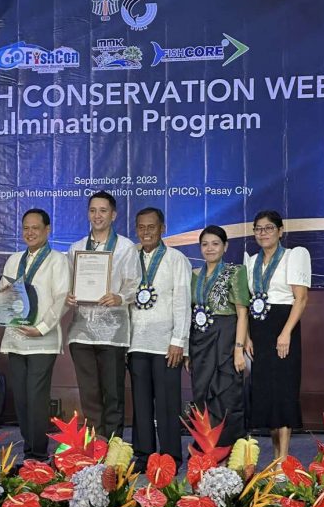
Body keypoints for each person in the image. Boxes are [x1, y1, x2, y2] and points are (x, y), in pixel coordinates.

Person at [66, 191, 141, 437]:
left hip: (113, 331)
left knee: (113, 393)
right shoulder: (76, 248)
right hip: (82, 331)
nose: (97, 215)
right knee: (89, 394)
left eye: (103, 210)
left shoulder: (126, 247)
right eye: (93, 210)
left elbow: (134, 284)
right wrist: (68, 295)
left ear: (113, 215)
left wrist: (120, 297)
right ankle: (94, 446)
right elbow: (68, 284)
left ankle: (113, 447)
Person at [0, 209, 70, 460]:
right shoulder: (13, 259)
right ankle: (28, 448)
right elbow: (5, 295)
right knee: (21, 398)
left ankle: (38, 454)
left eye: (35, 228)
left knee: (37, 397)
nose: (30, 233)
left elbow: (62, 298)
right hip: (16, 338)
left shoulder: (58, 260)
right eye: (26, 228)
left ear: (47, 230)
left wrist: (41, 327)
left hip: (43, 339)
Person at [244, 210, 310, 462]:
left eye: (269, 228)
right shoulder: (251, 262)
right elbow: (249, 302)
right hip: (259, 331)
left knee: (283, 392)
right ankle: (275, 458)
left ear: (280, 231)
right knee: (266, 394)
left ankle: (283, 460)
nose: (263, 233)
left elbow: (301, 299)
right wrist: (248, 336)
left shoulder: (294, 256)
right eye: (258, 228)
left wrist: (285, 333)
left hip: (283, 328)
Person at [128, 208, 191, 471]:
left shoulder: (177, 259)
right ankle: (143, 456)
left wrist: (179, 340)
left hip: (167, 344)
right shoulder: (129, 257)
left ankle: (170, 457)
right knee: (140, 404)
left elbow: (183, 301)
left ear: (163, 228)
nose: (146, 232)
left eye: (151, 227)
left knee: (167, 403)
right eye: (141, 227)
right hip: (135, 342)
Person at [189, 225, 249, 447]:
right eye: (205, 244)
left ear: (225, 246)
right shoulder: (195, 275)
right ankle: (206, 450)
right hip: (200, 342)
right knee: (201, 395)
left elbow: (243, 313)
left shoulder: (235, 272)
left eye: (215, 244)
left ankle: (228, 450)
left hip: (225, 339)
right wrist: (187, 351)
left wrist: (238, 349)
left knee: (226, 394)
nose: (209, 248)